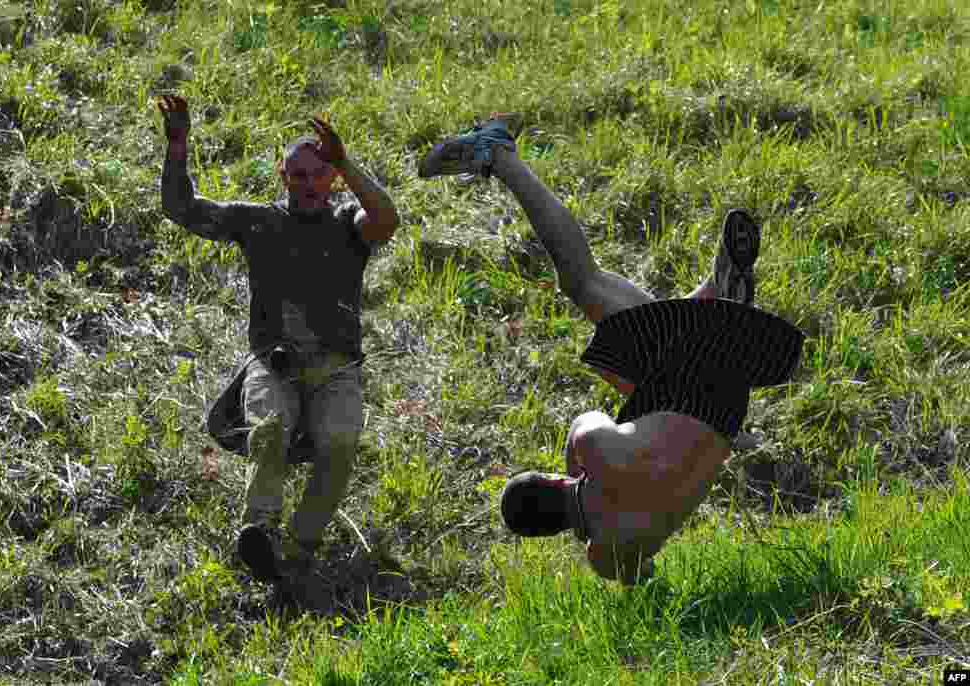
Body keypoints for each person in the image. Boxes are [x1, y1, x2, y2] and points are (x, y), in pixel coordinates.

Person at [418, 116, 805, 584]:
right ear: (555, 481)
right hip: (689, 388)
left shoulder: (611, 550)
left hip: (727, 408)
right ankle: (498, 155)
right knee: (582, 282)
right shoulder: (594, 450)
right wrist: (577, 468)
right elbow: (584, 427)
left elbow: (638, 577)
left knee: (653, 361)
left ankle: (713, 298)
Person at [157, 95, 399, 590]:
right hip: (274, 363)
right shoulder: (259, 222)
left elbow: (387, 219)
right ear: (282, 176)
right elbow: (182, 209)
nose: (308, 185)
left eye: (317, 175)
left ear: (330, 178)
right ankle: (260, 533)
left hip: (337, 369)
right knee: (268, 429)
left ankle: (298, 549)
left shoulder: (349, 223)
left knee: (341, 443)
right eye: (297, 175)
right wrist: (178, 145)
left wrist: (346, 162)